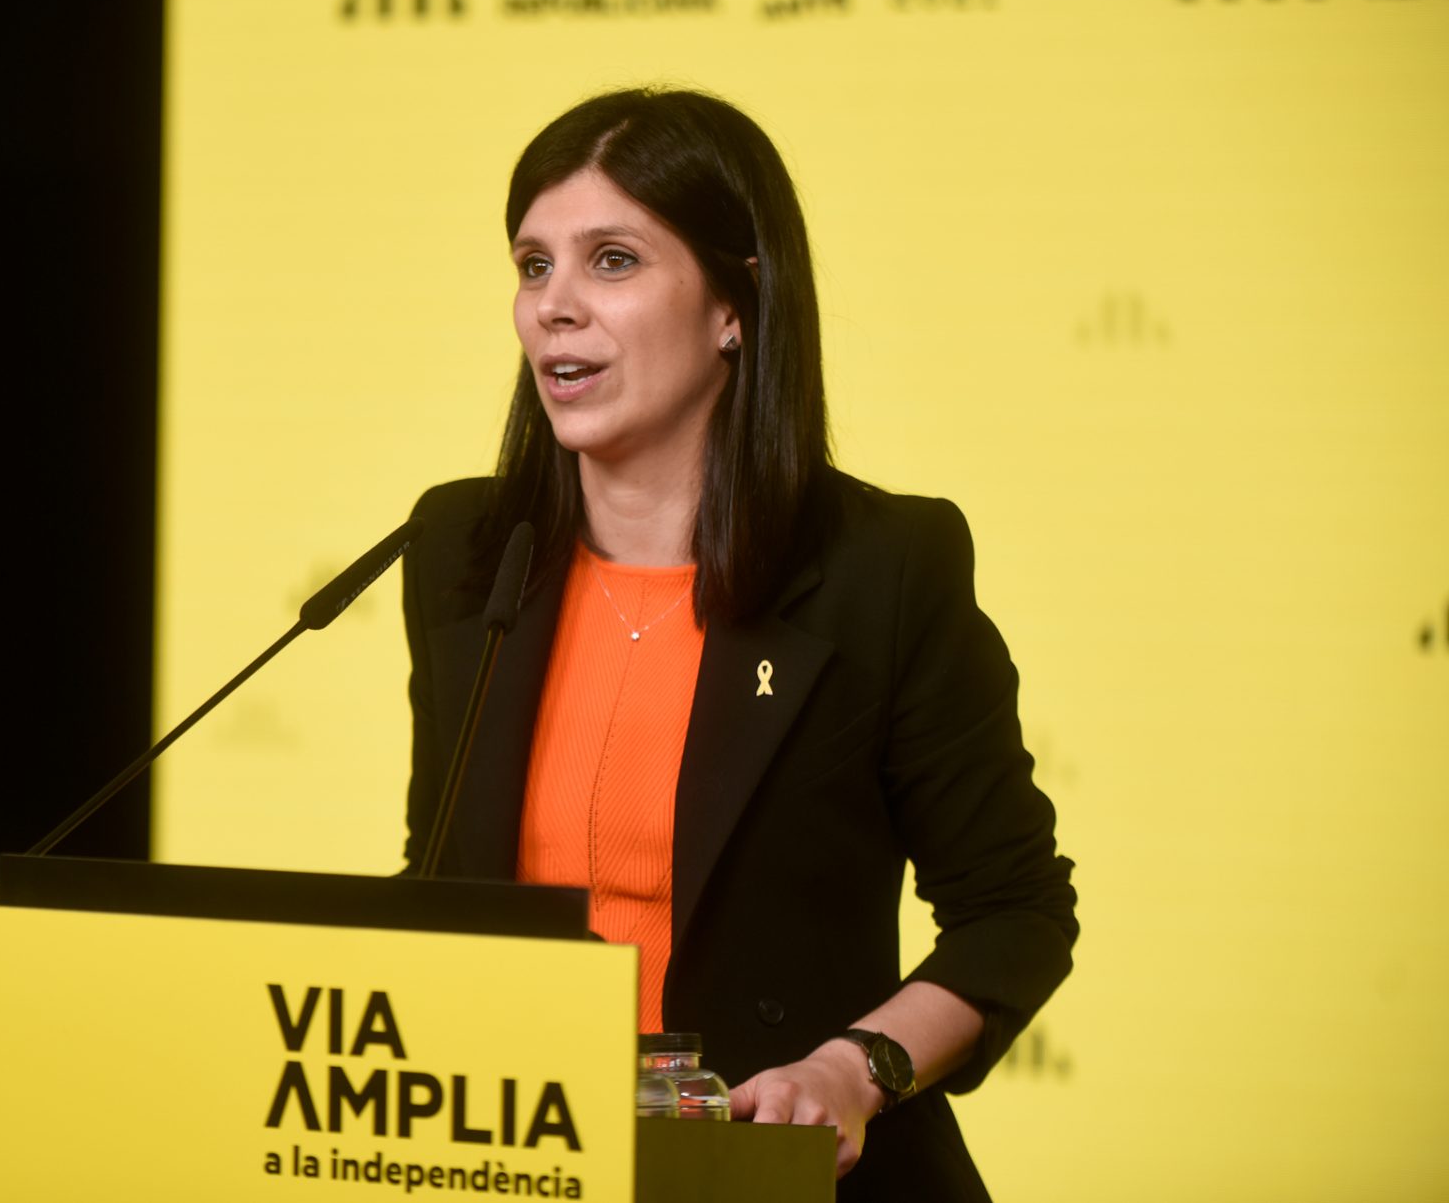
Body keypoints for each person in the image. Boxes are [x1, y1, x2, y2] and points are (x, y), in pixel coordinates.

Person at [400, 88, 1076, 1201]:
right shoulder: (466, 549)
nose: (554, 306)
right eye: (533, 265)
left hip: (784, 1173)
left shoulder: (880, 568)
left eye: (612, 260)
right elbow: (443, 886)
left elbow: (1014, 911)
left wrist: (855, 1068)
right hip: (526, 1163)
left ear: (735, 303)